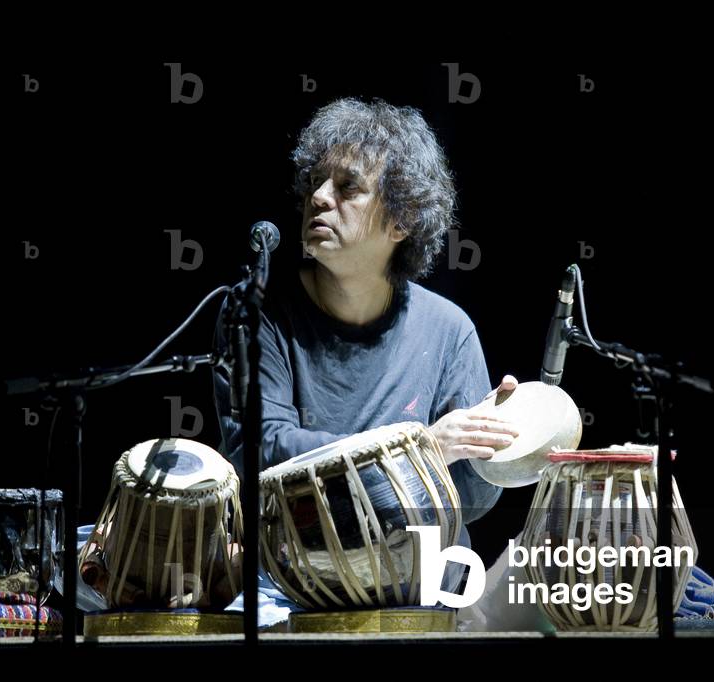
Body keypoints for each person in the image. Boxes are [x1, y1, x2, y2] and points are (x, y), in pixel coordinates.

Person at [213, 98, 519, 622]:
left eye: (347, 187)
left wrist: (488, 449)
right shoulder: (255, 312)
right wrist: (421, 448)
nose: (318, 198)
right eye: (314, 181)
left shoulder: (449, 330)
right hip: (290, 586)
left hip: (421, 584)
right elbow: (263, 449)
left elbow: (468, 501)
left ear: (400, 220)